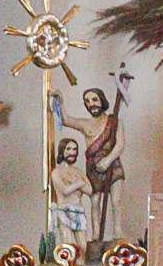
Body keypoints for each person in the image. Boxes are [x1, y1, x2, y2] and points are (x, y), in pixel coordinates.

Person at [58, 87, 126, 241]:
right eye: (87, 101)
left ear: (102, 100)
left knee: (116, 200)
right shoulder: (85, 124)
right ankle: (96, 233)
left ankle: (117, 231)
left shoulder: (115, 122)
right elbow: (65, 120)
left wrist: (108, 160)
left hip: (113, 166)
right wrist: (60, 102)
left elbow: (120, 145)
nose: (91, 104)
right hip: (94, 168)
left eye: (94, 100)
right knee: (95, 202)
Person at [49, 136, 92, 248]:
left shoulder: (78, 172)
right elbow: (65, 190)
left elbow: (89, 190)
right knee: (68, 245)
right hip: (64, 210)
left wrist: (76, 183)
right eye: (68, 149)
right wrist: (79, 183)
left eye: (74, 149)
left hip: (78, 211)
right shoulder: (57, 172)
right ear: (62, 151)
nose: (72, 152)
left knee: (82, 247)